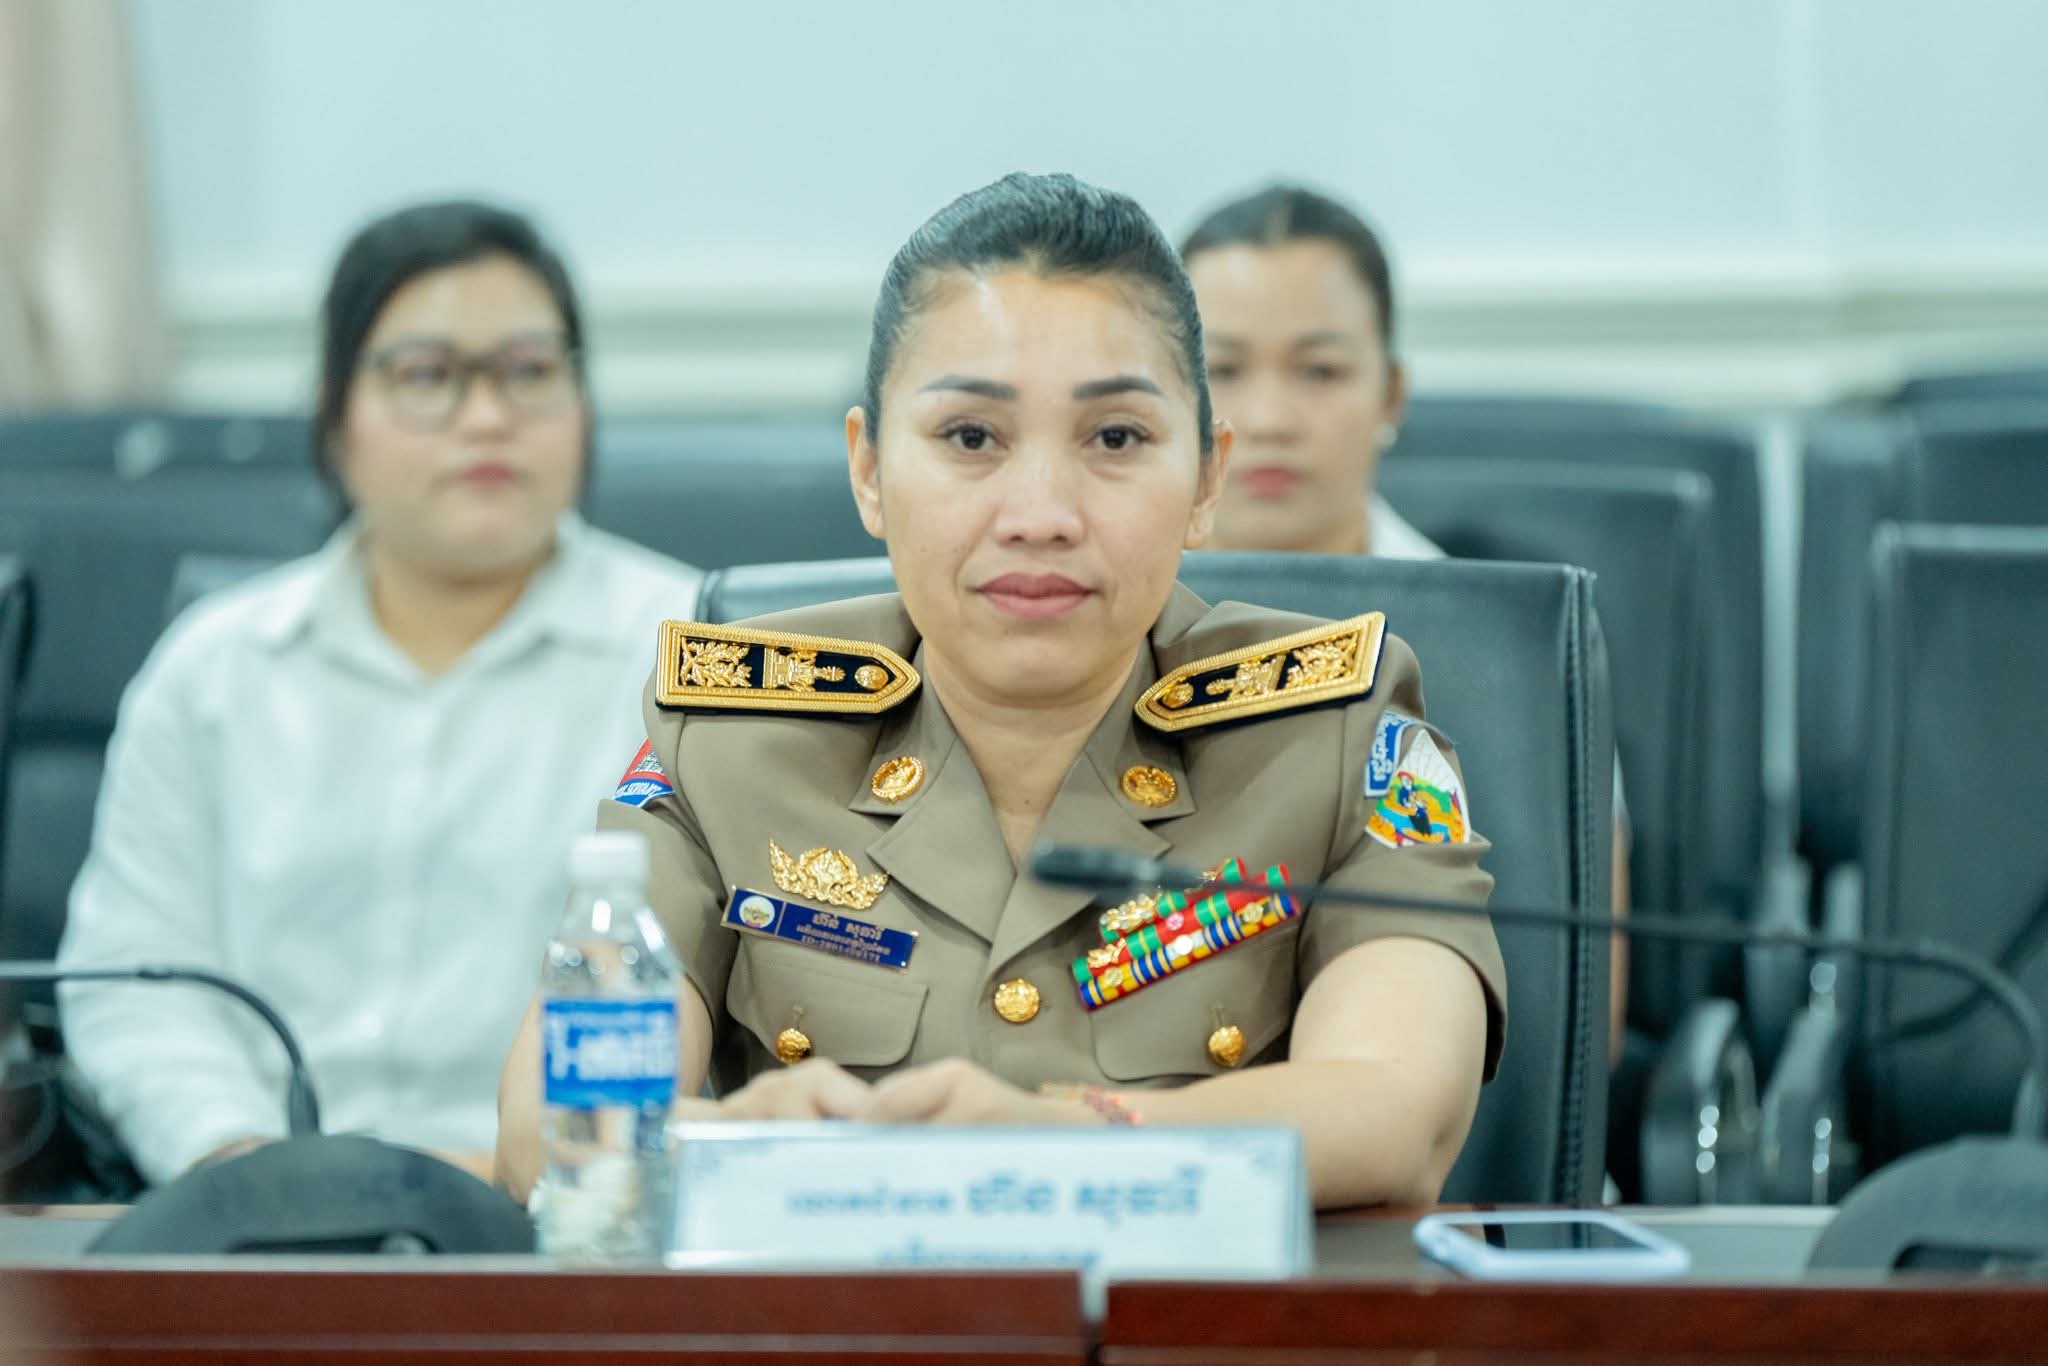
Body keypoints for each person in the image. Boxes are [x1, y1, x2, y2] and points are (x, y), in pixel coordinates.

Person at [497, 173, 1503, 1211]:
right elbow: (552, 1128)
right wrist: (760, 1144)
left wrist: (1065, 1138)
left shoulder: (1338, 731)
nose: (1039, 513)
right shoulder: (728, 737)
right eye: (971, 438)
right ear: (868, 471)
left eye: (1115, 439)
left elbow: (1397, 1111)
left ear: (1207, 477)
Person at [58, 200, 703, 1186]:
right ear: (336, 417)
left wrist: (519, 1169)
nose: (487, 417)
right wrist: (243, 1162)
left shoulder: (692, 658)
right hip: (248, 1216)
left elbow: (720, 985)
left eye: (530, 370)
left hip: (566, 1218)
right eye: (427, 376)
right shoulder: (215, 668)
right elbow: (132, 983)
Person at [1180, 183, 1630, 1060]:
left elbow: (1576, 1034)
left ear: (1391, 395)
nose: (1268, 419)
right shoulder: (1091, 626)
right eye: (1223, 370)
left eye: (1320, 370)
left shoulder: (1517, 653)